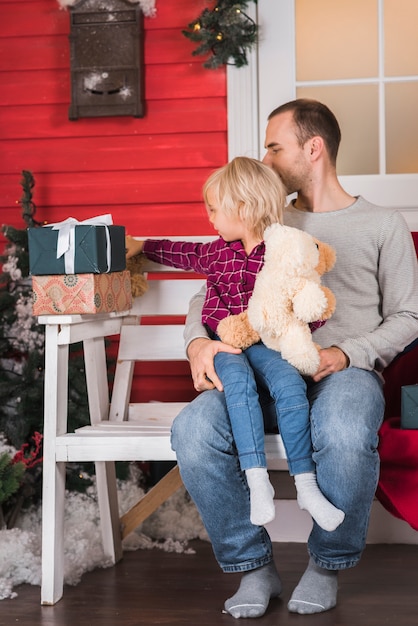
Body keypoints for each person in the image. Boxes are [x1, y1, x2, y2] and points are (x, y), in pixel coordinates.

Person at [169, 99, 418, 618]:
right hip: (256, 368)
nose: (266, 157)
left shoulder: (382, 224)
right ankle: (252, 567)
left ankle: (327, 564)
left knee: (347, 430)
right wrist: (198, 343)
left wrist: (347, 353)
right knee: (192, 431)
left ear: (313, 148)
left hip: (341, 373)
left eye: (274, 146)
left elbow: (409, 315)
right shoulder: (264, 214)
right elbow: (207, 294)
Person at [126, 156, 344, 531]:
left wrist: (310, 314)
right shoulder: (215, 252)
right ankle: (258, 482)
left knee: (291, 385)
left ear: (242, 207)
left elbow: (306, 295)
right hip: (224, 344)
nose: (209, 219)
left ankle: (306, 484)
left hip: (265, 344)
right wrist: (142, 245)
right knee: (238, 387)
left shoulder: (282, 251)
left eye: (214, 210)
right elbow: (180, 252)